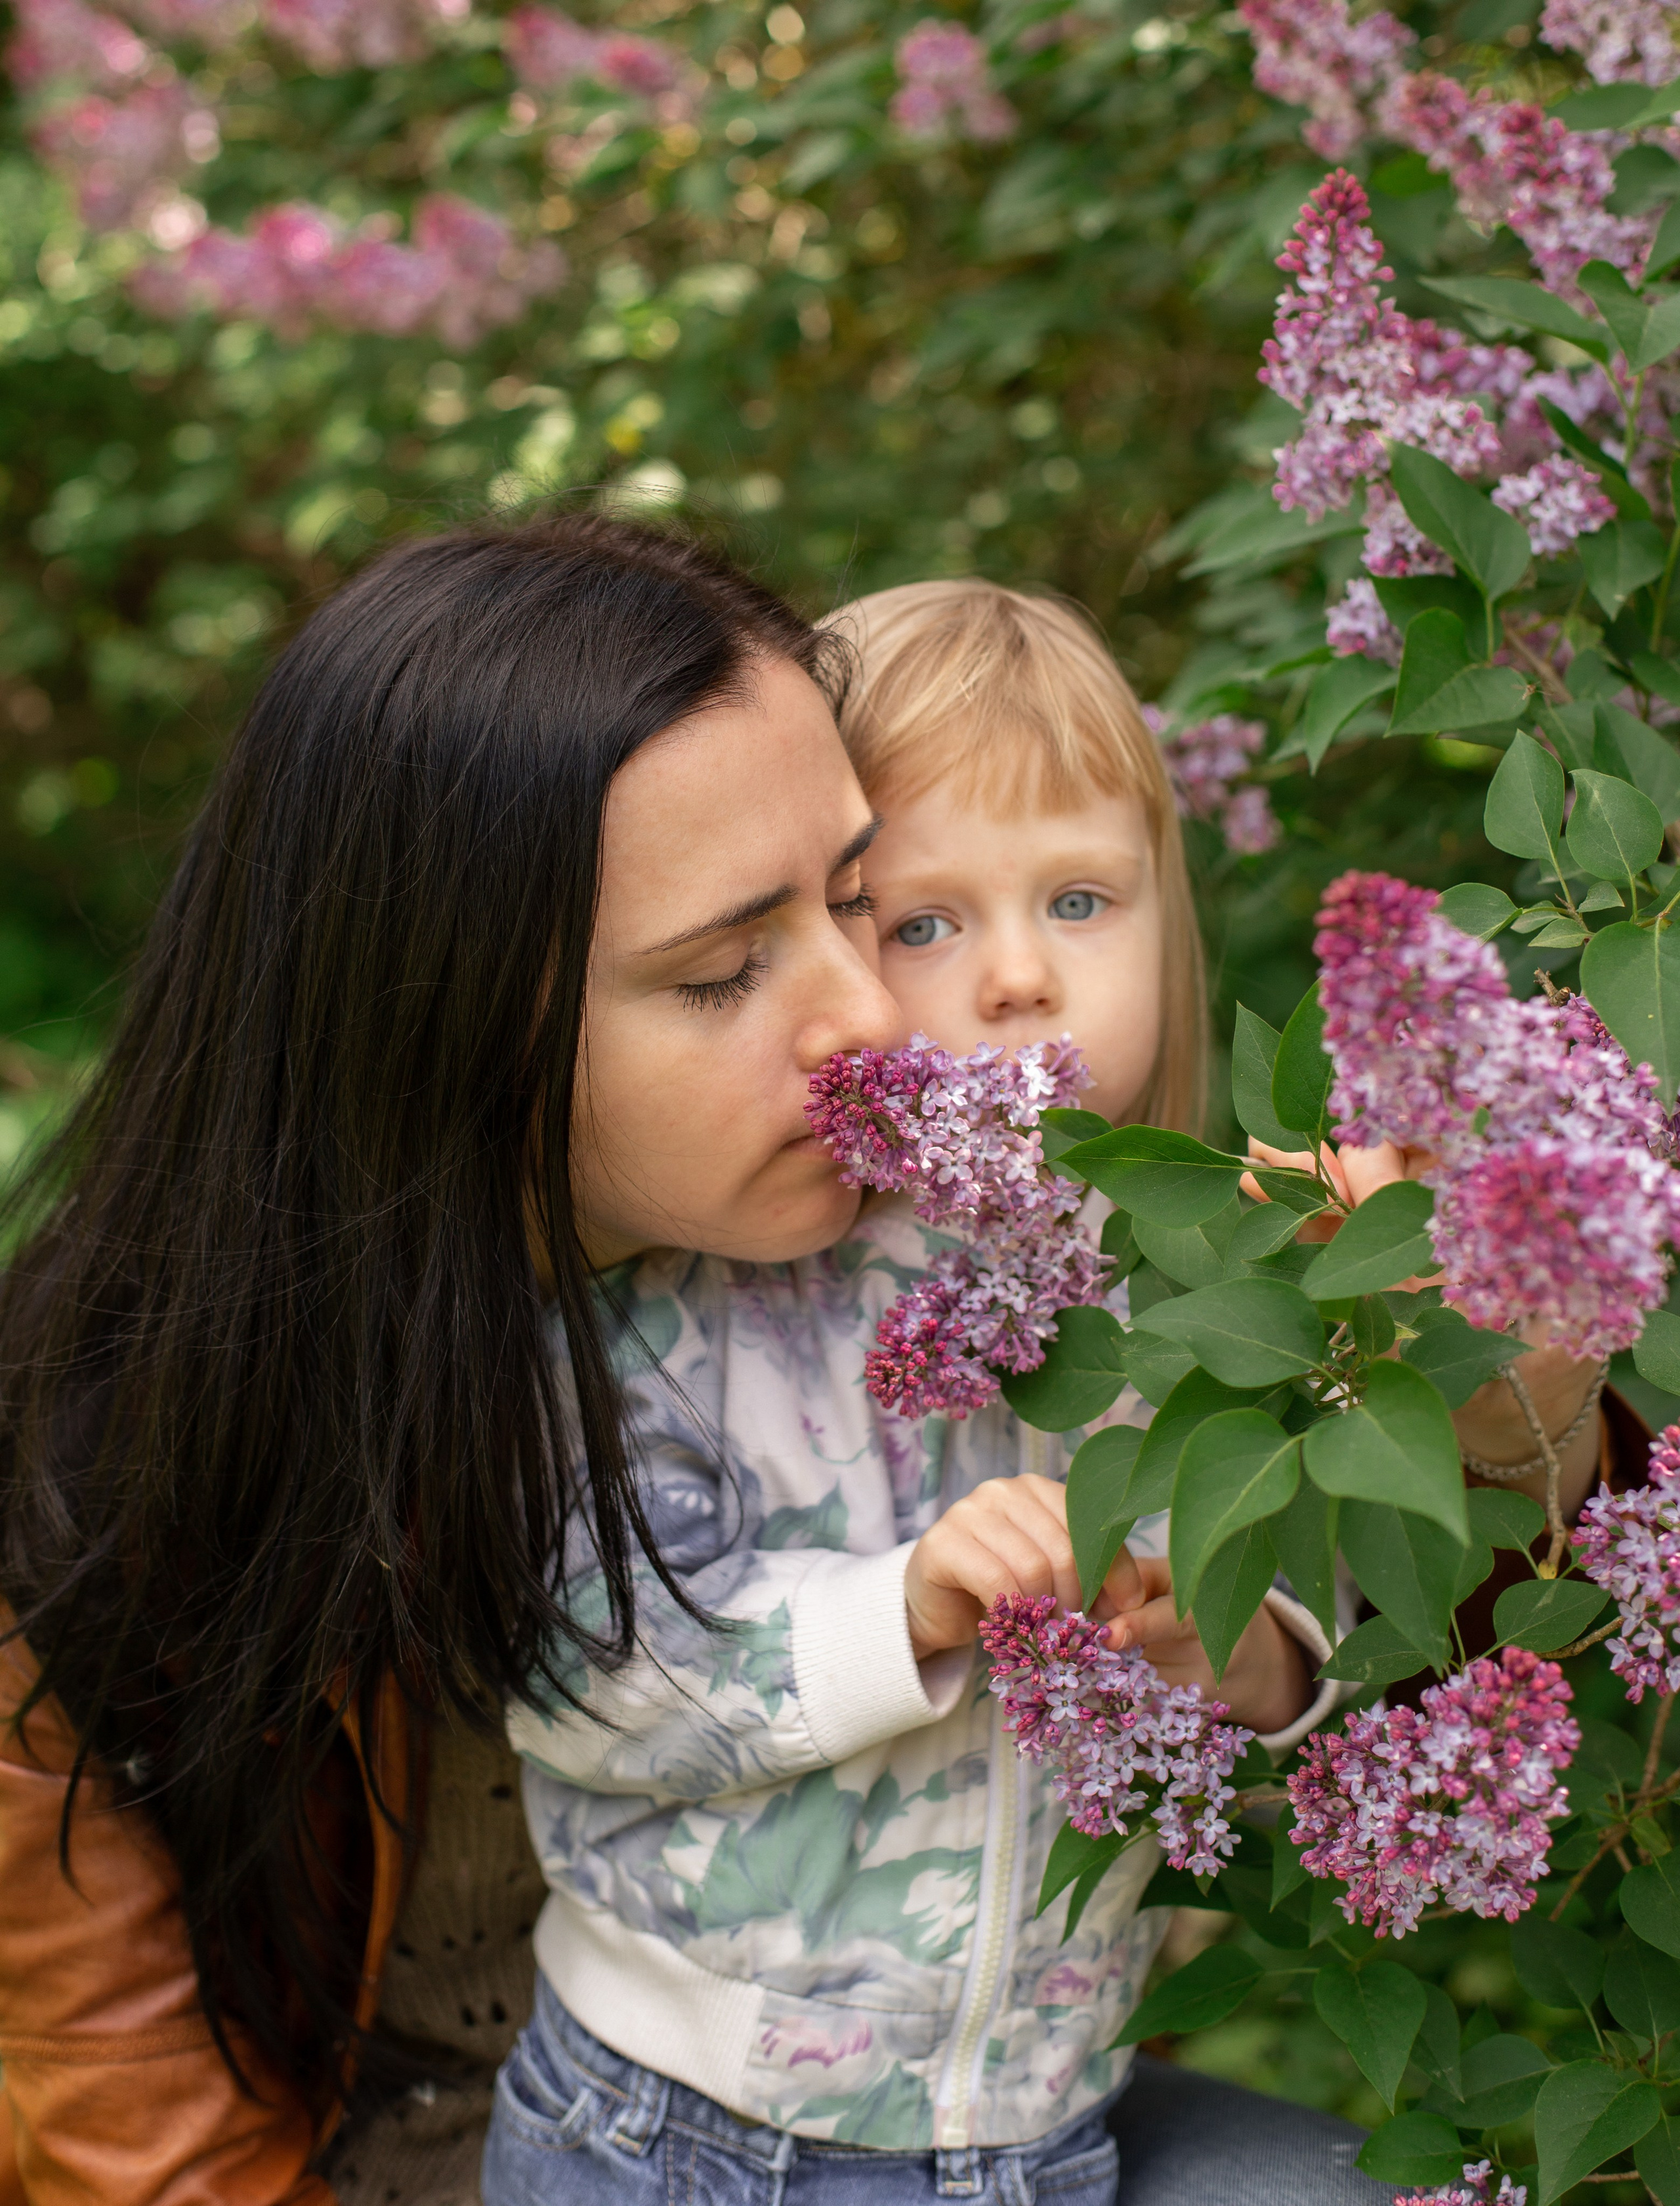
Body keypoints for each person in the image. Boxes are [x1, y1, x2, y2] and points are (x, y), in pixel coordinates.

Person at [0, 515, 904, 2203]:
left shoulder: (936, 1271)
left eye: (864, 899)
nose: (867, 1016)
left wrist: (1481, 1371)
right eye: (722, 970)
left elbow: (1435, 1646)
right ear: (443, 1013)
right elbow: (150, 2161)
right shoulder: (98, 1487)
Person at [481, 575, 1351, 2206]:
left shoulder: (1189, 1276)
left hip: (1039, 2112)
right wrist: (908, 1605)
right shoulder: (699, 1274)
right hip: (695, 2130)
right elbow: (581, 1663)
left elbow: (1299, 1598)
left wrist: (1227, 1642)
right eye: (925, 921)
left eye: (1081, 899)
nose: (1019, 976)